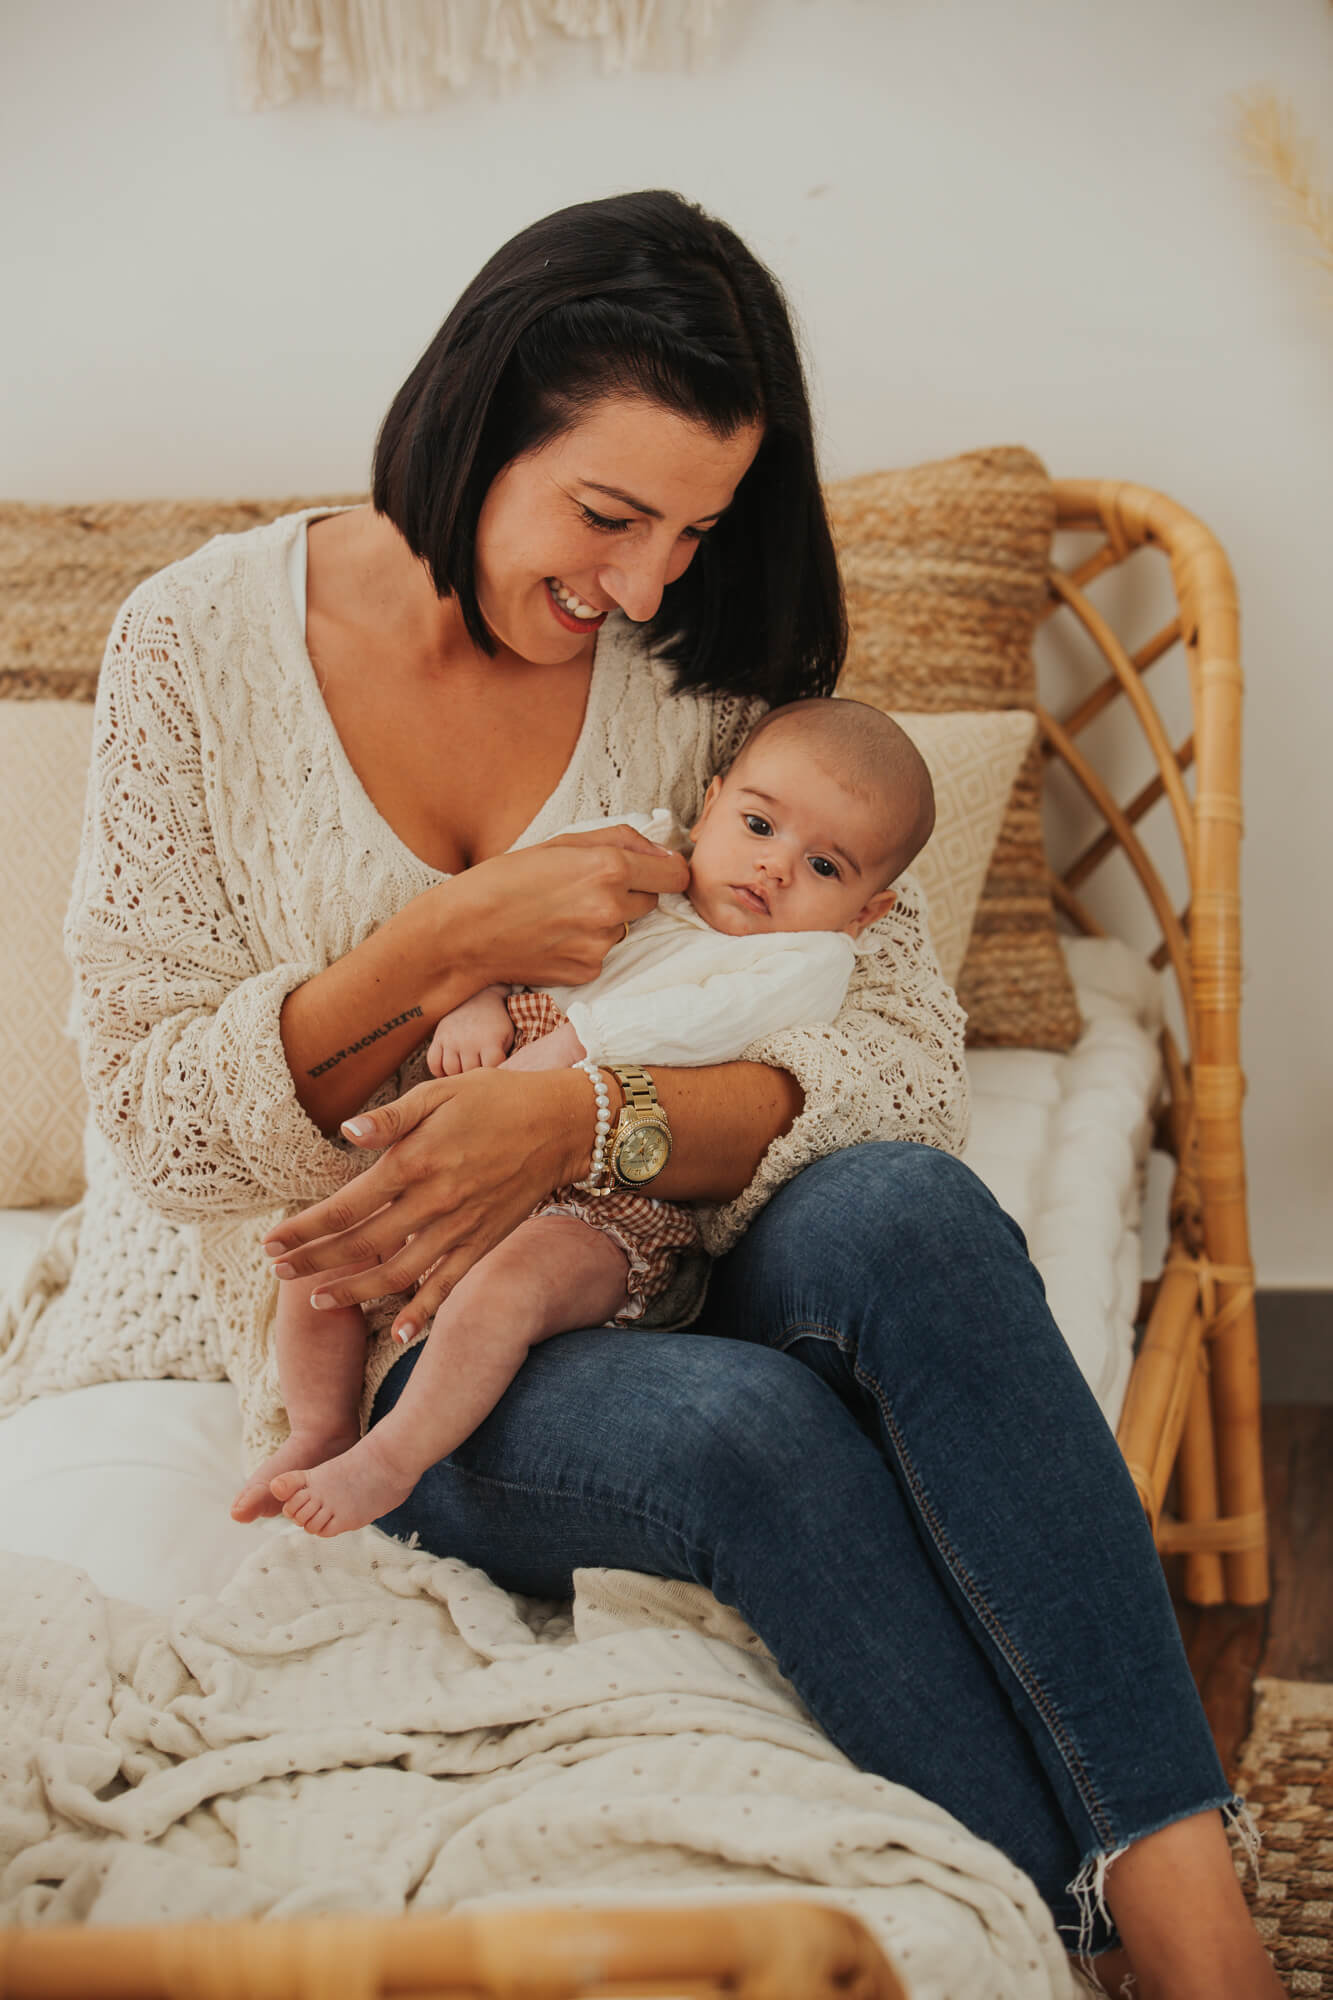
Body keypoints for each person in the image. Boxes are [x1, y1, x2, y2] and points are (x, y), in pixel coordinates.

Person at [49, 188, 1280, 1996]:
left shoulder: (702, 660)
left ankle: (1196, 1920)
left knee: (910, 1207)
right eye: (608, 516)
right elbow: (158, 1117)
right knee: (743, 1431)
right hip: (409, 1327)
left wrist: (580, 1122)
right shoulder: (193, 647)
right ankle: (1053, 1923)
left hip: (680, 1233)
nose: (640, 588)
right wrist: (441, 941)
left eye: (693, 531)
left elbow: (892, 1068)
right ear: (476, 420)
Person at [235, 699, 937, 1538]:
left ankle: (392, 1459)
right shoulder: (632, 858)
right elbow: (496, 924)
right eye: (757, 825)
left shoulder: (805, 958)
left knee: (505, 1291)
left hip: (610, 1199)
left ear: (865, 913)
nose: (775, 867)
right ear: (709, 804)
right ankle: (319, 1428)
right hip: (470, 1134)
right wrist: (476, 997)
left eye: (823, 867)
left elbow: (699, 1024)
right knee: (319, 1255)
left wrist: (563, 1051)